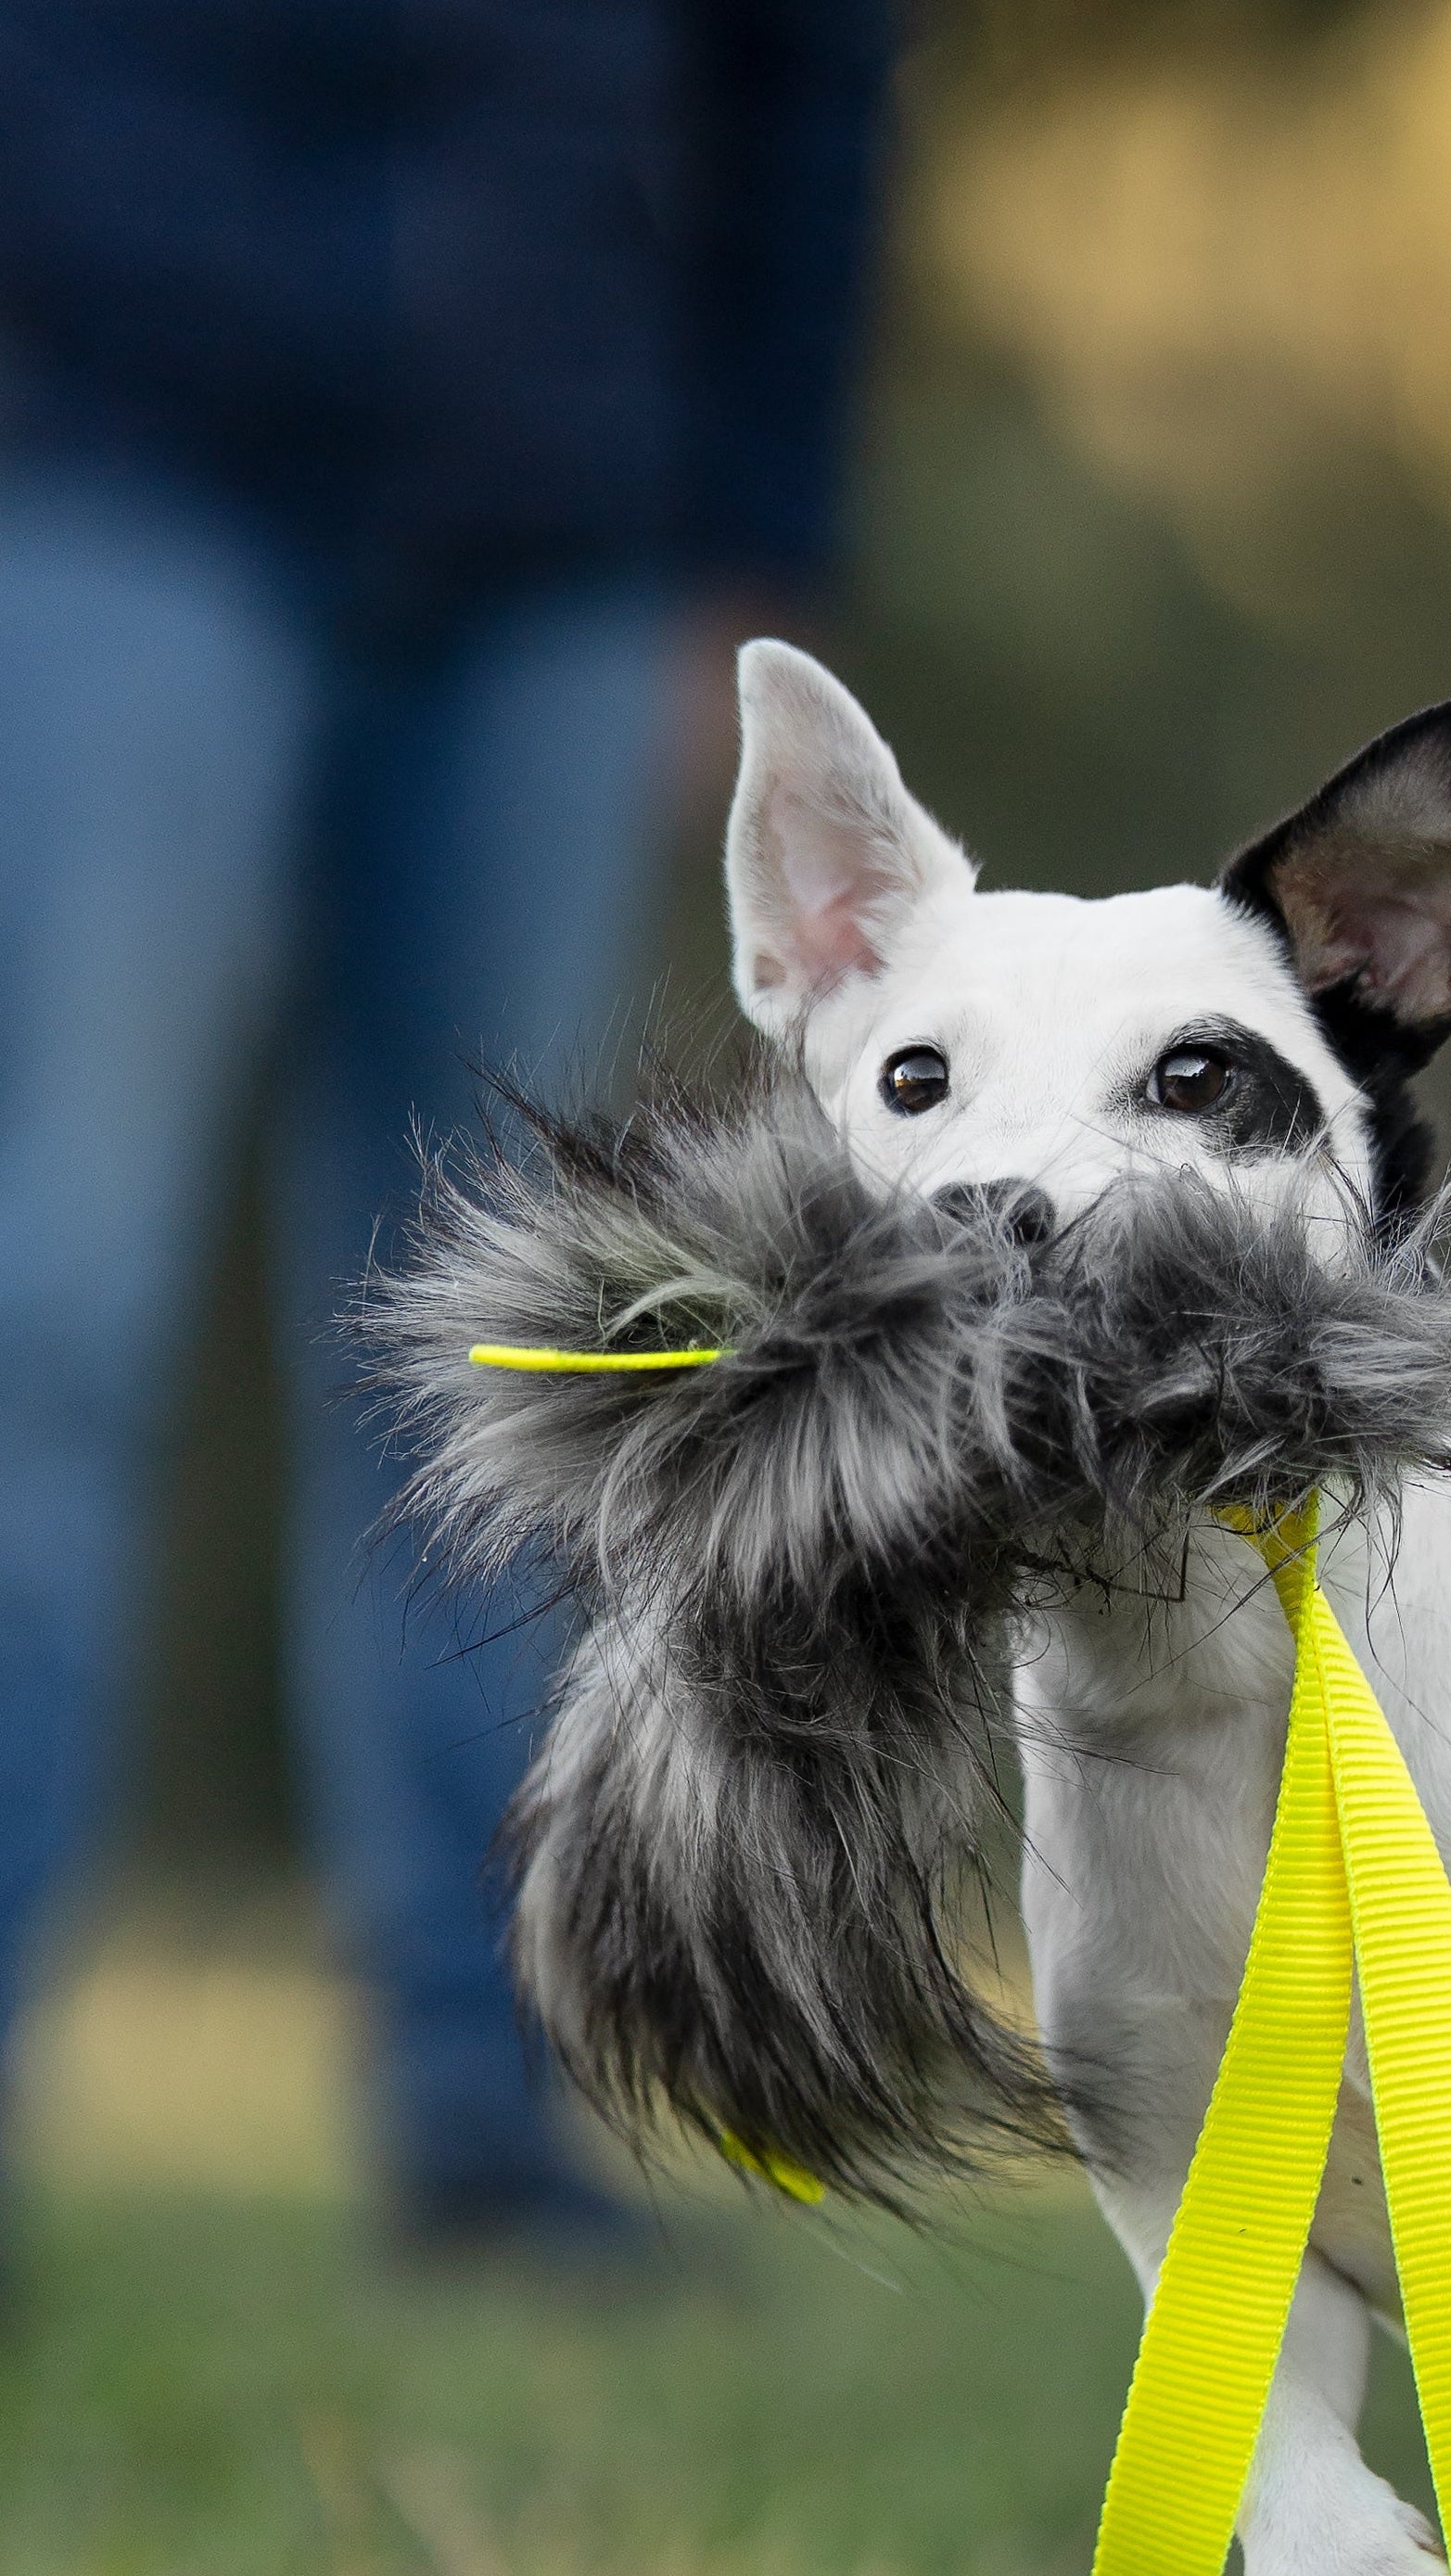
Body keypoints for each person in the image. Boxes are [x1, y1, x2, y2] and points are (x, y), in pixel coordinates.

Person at [0, 0, 896, 2251]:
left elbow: (813, 72)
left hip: (557, 510)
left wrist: (757, 533)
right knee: (45, 1302)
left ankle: (487, 2108)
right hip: (101, 459)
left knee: (513, 1347)